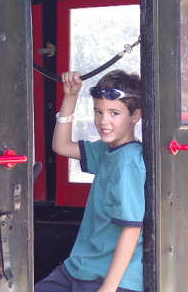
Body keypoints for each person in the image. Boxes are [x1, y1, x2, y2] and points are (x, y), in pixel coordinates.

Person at [35, 69, 146, 292]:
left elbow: (132, 229)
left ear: (135, 116)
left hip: (108, 278)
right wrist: (70, 96)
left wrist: (108, 288)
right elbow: (61, 146)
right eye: (98, 112)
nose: (103, 121)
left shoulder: (129, 163)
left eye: (114, 113)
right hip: (79, 268)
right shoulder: (108, 150)